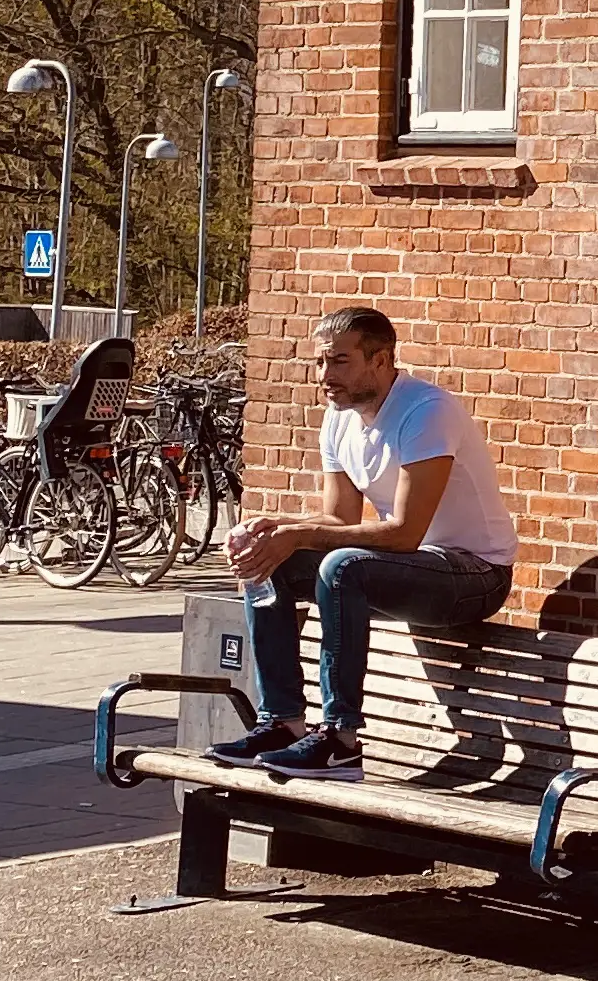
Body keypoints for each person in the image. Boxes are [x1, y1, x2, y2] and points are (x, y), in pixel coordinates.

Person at [213, 304, 517, 776]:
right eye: (319, 362)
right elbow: (337, 518)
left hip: (475, 574)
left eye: (339, 362)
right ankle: (283, 721)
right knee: (268, 560)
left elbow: (404, 533)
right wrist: (273, 529)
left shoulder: (426, 412)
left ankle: (341, 739)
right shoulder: (339, 418)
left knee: (343, 567)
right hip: (409, 570)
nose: (324, 376)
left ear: (381, 360)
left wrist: (300, 535)